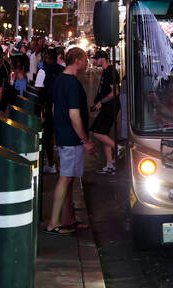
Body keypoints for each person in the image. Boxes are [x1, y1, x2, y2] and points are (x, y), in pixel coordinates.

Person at [44, 47, 94, 234]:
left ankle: (68, 218)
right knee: (65, 178)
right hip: (72, 139)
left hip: (63, 135)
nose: (87, 63)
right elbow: (75, 115)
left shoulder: (59, 80)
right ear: (78, 61)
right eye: (86, 59)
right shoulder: (72, 83)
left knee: (69, 177)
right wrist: (85, 140)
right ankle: (54, 223)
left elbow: (54, 109)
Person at [89, 51, 120, 174]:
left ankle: (118, 147)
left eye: (96, 59)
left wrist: (101, 102)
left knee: (96, 131)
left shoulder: (111, 71)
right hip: (107, 106)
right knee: (104, 134)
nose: (94, 61)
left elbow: (115, 92)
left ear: (103, 59)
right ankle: (109, 165)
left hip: (110, 106)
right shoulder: (106, 71)